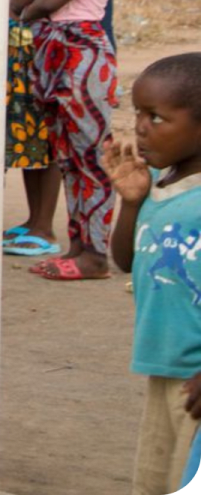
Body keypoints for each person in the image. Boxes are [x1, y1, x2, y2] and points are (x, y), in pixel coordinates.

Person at [14, 0, 121, 282]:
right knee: (69, 160)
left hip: (82, 56)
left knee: (91, 159)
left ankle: (95, 255)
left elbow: (46, 4)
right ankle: (77, 247)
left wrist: (22, 15)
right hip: (51, 55)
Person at [105, 53, 201, 495]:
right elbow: (126, 261)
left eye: (157, 117)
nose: (140, 128)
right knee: (157, 480)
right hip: (164, 367)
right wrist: (132, 202)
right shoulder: (160, 184)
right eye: (137, 113)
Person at [0, 0, 68, 258]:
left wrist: (11, 1)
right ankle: (32, 219)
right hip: (3, 48)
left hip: (32, 49)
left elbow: (25, 0)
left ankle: (45, 225)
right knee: (24, 139)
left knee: (43, 137)